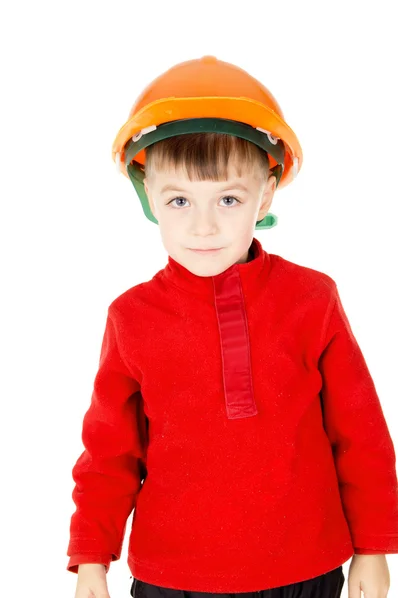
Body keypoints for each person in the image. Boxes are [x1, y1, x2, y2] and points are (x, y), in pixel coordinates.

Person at [66, 55, 398, 598]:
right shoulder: (130, 317)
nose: (204, 225)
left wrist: (374, 546)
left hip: (305, 572)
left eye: (228, 198)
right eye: (179, 200)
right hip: (172, 580)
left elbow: (360, 435)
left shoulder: (313, 298)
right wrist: (91, 560)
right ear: (147, 194)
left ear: (265, 195)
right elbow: (109, 454)